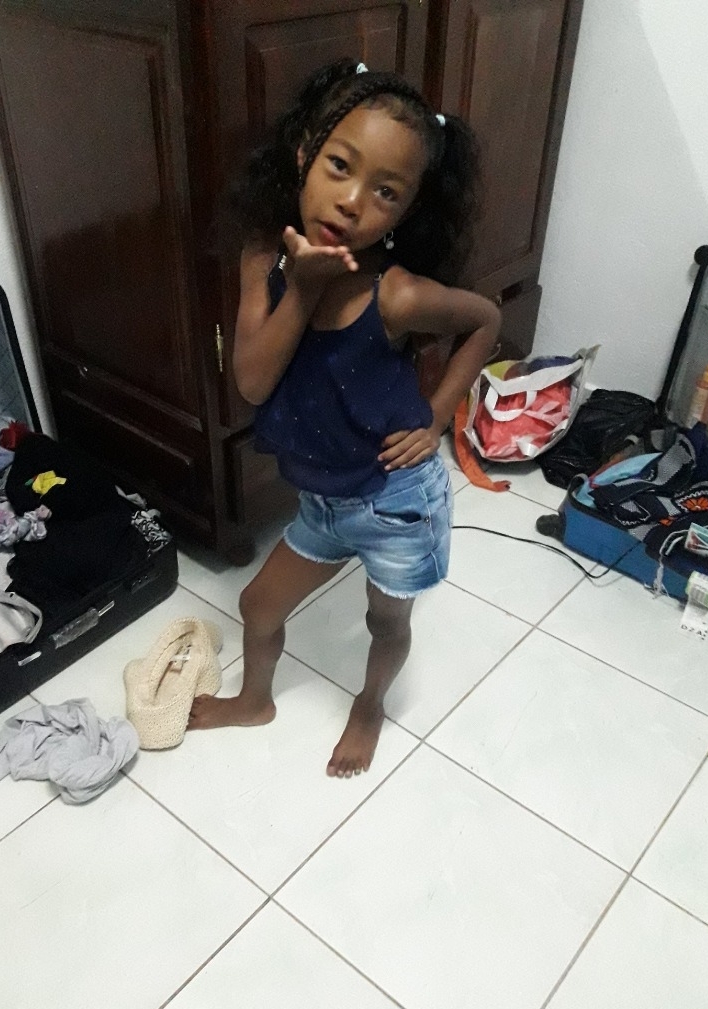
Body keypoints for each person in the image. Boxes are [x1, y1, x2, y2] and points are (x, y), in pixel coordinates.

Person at [189, 59, 501, 777]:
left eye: (386, 191)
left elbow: (485, 319)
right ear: (305, 153)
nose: (352, 201)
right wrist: (302, 289)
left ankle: (370, 704)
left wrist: (437, 418)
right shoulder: (265, 255)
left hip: (397, 502)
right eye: (339, 165)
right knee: (258, 606)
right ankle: (255, 700)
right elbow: (253, 382)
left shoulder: (398, 295)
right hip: (324, 502)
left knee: (384, 621)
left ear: (406, 211)